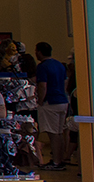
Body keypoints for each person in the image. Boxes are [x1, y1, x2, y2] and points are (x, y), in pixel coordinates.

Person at [32, 41, 74, 171]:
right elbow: (65, 82)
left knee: (53, 133)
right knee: (60, 132)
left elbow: (42, 85)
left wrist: (40, 101)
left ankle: (56, 162)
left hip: (50, 102)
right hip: (63, 100)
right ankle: (59, 159)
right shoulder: (59, 65)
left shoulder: (42, 67)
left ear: (39, 52)